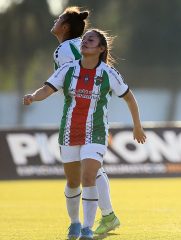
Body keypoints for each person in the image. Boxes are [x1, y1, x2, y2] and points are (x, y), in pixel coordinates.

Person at [23, 28, 147, 240]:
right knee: (73, 181)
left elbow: (129, 97)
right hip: (70, 131)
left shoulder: (109, 73)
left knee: (88, 176)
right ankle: (75, 223)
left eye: (91, 40)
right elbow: (47, 89)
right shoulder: (68, 69)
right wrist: (33, 97)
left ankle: (87, 229)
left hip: (96, 132)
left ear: (101, 48)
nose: (85, 42)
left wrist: (137, 126)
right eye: (85, 39)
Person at [50, 7, 122, 237]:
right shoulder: (81, 44)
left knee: (89, 173)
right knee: (92, 171)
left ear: (66, 27)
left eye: (59, 18)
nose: (55, 20)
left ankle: (106, 216)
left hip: (83, 116)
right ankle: (107, 215)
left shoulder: (65, 49)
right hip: (93, 112)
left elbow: (74, 80)